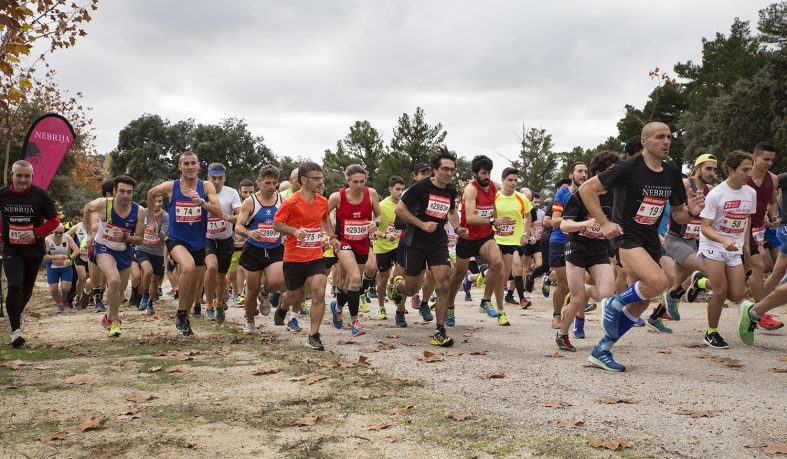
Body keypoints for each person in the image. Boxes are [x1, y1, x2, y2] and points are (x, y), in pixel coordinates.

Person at [579, 122, 703, 372]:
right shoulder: (628, 167)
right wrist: (604, 223)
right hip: (625, 235)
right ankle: (613, 304)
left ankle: (601, 350)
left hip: (649, 239)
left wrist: (691, 212)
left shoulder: (672, 173)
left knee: (642, 301)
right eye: (660, 137)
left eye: (669, 137)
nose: (666, 141)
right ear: (645, 142)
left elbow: (678, 214)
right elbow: (587, 189)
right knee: (658, 282)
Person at [388, 146, 466, 346]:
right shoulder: (421, 187)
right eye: (445, 169)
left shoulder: (450, 190)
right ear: (435, 169)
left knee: (443, 281)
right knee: (412, 288)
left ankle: (440, 331)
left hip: (438, 241)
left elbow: (451, 212)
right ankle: (397, 286)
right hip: (416, 241)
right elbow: (400, 210)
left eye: (452, 170)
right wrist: (422, 224)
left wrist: (457, 229)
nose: (449, 173)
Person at [146, 151, 223, 336]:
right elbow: (150, 193)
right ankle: (180, 313)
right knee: (187, 267)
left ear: (198, 166)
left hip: (198, 242)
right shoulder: (171, 187)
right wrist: (152, 221)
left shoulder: (206, 186)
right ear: (179, 167)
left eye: (193, 163)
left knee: (194, 288)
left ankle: (185, 319)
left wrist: (201, 202)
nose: (190, 167)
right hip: (176, 239)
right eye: (186, 163)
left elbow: (218, 211)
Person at [556, 151, 619, 351]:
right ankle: (563, 334)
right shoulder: (580, 194)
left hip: (599, 249)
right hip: (577, 248)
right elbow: (564, 225)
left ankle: (586, 291)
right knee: (577, 298)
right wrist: (586, 223)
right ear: (599, 173)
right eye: (610, 172)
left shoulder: (616, 194)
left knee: (606, 296)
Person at [273, 162, 339, 350]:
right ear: (303, 180)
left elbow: (325, 221)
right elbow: (276, 225)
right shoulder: (290, 202)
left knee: (319, 291)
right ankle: (283, 306)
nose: (320, 182)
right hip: (294, 257)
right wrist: (293, 230)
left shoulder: (322, 201)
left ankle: (314, 334)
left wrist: (332, 237)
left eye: (321, 178)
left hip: (315, 255)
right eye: (316, 178)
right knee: (294, 295)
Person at [693, 150, 756, 348]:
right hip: (713, 244)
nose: (748, 174)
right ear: (730, 169)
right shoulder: (716, 194)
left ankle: (700, 282)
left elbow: (747, 217)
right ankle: (711, 333)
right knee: (720, 292)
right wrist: (722, 240)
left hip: (734, 247)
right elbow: (705, 226)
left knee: (737, 294)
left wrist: (746, 243)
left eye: (750, 170)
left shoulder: (750, 192)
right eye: (744, 170)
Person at [0, 160, 60, 346]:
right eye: (19, 175)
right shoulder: (3, 195)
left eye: (27, 176)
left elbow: (54, 221)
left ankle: (17, 316)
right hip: (12, 249)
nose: (23, 179)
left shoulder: (40, 195)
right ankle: (16, 331)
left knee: (26, 291)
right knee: (15, 285)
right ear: (12, 175)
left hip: (34, 250)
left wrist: (35, 232)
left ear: (32, 177)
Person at [447, 155, 511, 325]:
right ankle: (449, 307)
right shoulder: (470, 189)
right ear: (475, 173)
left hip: (485, 236)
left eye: (489, 172)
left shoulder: (493, 186)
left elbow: (493, 208)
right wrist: (492, 221)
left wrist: (495, 223)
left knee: (497, 264)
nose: (487, 176)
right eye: (483, 173)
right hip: (468, 236)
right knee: (459, 274)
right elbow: (470, 217)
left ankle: (486, 300)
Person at [83, 175, 146, 337]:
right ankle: (116, 321)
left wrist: (126, 238)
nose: (126, 195)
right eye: (122, 191)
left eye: (129, 192)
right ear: (114, 192)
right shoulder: (103, 205)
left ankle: (108, 318)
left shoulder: (138, 211)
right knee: (114, 280)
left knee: (119, 290)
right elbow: (87, 208)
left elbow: (139, 239)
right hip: (104, 248)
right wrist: (90, 233)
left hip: (124, 251)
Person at [328, 164, 382, 336]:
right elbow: (322, 216)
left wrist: (376, 223)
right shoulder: (337, 197)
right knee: (356, 278)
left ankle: (337, 308)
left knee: (347, 284)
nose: (359, 185)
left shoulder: (371, 193)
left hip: (362, 243)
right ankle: (355, 322)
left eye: (362, 181)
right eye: (355, 182)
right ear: (347, 181)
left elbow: (379, 216)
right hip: (343, 243)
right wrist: (332, 236)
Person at [235, 165, 286, 333]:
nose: (272, 187)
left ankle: (265, 294)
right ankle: (249, 321)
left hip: (274, 248)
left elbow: (289, 222)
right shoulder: (251, 202)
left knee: (278, 280)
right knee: (252, 289)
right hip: (254, 250)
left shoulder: (281, 200)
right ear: (259, 182)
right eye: (268, 183)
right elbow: (238, 227)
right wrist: (249, 233)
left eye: (274, 183)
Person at [745, 142, 783, 330]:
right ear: (754, 157)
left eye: (772, 160)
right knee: (758, 265)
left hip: (759, 227)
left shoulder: (773, 179)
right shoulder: (744, 176)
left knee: (756, 266)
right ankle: (759, 313)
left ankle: (758, 312)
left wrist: (773, 217)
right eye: (765, 159)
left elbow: (771, 203)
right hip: (740, 228)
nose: (769, 163)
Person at [548, 163, 588, 329]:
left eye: (586, 172)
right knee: (564, 283)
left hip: (580, 241)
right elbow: (554, 221)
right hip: (559, 241)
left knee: (584, 280)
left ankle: (578, 318)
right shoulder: (562, 194)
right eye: (579, 171)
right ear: (571, 175)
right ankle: (557, 315)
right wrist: (575, 220)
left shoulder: (588, 193)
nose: (583, 174)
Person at [203, 163, 242, 321]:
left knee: (221, 277)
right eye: (213, 178)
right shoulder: (202, 192)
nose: (216, 181)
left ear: (224, 178)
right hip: (207, 239)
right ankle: (209, 304)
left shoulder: (231, 193)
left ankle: (219, 303)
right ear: (208, 178)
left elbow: (240, 216)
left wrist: (227, 216)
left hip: (225, 239)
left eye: (220, 178)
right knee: (211, 267)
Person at [494, 167, 532, 312]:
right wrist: (494, 221)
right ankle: (477, 276)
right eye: (510, 180)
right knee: (500, 272)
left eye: (515, 180)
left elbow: (528, 216)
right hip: (497, 239)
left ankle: (521, 298)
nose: (513, 183)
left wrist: (525, 233)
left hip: (515, 240)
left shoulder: (521, 198)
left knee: (517, 268)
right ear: (503, 180)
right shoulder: (495, 197)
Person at [372, 176, 406, 321]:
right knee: (382, 278)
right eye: (397, 189)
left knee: (402, 275)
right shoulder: (381, 206)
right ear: (390, 189)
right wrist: (385, 235)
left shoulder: (405, 205)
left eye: (402, 190)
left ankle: (400, 311)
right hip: (382, 246)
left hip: (399, 245)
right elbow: (372, 231)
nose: (400, 192)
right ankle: (381, 306)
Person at [135, 195, 168, 315]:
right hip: (142, 248)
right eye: (155, 201)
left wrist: (157, 229)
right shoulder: (143, 213)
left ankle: (150, 303)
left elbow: (164, 236)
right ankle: (144, 293)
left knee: (154, 282)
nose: (157, 204)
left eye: (160, 201)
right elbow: (136, 228)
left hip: (157, 252)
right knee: (147, 271)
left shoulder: (165, 216)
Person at [229, 179, 255, 305]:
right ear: (240, 191)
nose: (248, 195)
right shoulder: (236, 205)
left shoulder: (256, 203)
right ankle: (235, 293)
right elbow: (230, 219)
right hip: (234, 242)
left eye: (251, 192)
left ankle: (241, 294)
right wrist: (235, 233)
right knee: (233, 271)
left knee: (243, 268)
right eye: (245, 192)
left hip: (250, 242)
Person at [44, 224, 79, 313]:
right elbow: (44, 256)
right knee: (53, 288)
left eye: (61, 233)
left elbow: (76, 250)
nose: (59, 235)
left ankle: (64, 300)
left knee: (66, 288)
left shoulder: (67, 237)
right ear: (52, 231)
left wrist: (70, 258)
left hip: (66, 266)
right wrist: (56, 257)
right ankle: (59, 304)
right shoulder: (47, 240)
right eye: (57, 233)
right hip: (52, 266)